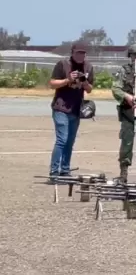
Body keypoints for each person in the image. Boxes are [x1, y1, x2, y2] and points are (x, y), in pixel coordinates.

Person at [48, 42, 94, 177]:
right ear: (72, 52)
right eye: (78, 53)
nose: (80, 55)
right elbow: (52, 84)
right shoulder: (63, 64)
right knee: (62, 139)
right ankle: (54, 171)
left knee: (70, 141)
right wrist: (68, 80)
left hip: (76, 108)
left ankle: (65, 170)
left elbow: (90, 89)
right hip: (61, 107)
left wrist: (85, 82)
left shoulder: (88, 67)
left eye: (83, 53)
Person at [112, 43, 136, 183]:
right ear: (130, 57)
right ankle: (123, 173)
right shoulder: (124, 71)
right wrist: (127, 96)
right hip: (127, 112)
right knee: (126, 142)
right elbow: (116, 88)